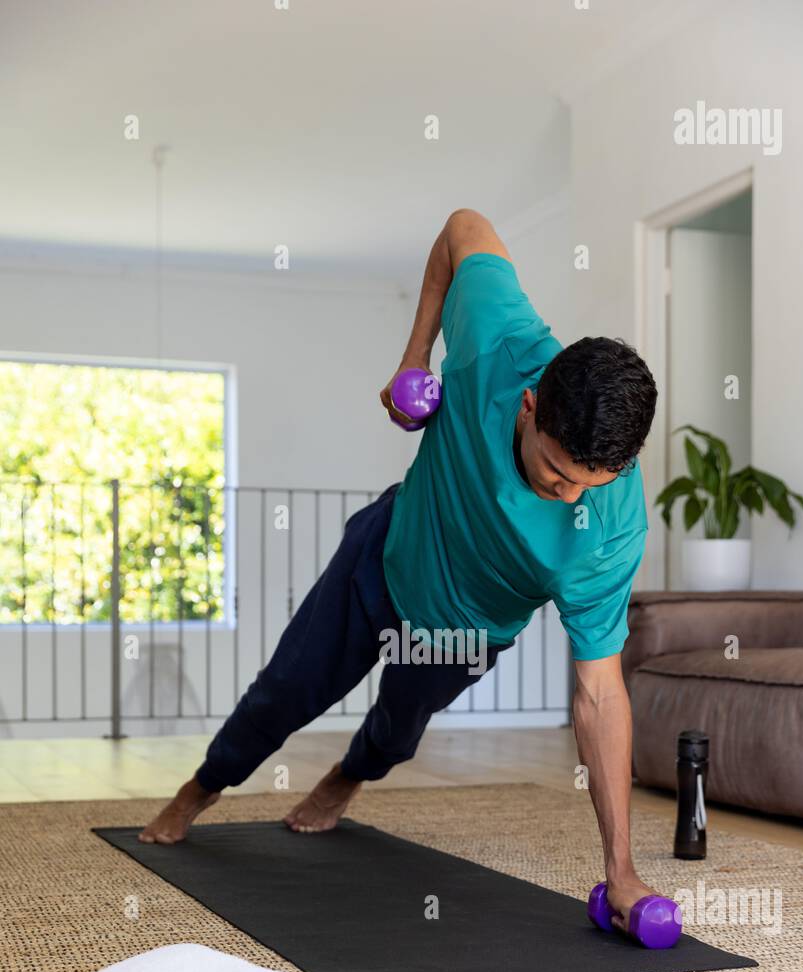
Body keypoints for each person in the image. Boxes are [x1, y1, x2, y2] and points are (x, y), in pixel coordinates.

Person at [141, 208, 661, 930]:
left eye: (590, 480)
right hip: (385, 558)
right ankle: (199, 790)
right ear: (528, 404)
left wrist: (621, 871)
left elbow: (598, 694)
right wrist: (413, 358)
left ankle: (343, 780)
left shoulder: (609, 529)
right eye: (553, 470)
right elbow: (463, 229)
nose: (568, 494)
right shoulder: (497, 341)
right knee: (285, 693)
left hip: (467, 630)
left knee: (395, 734)